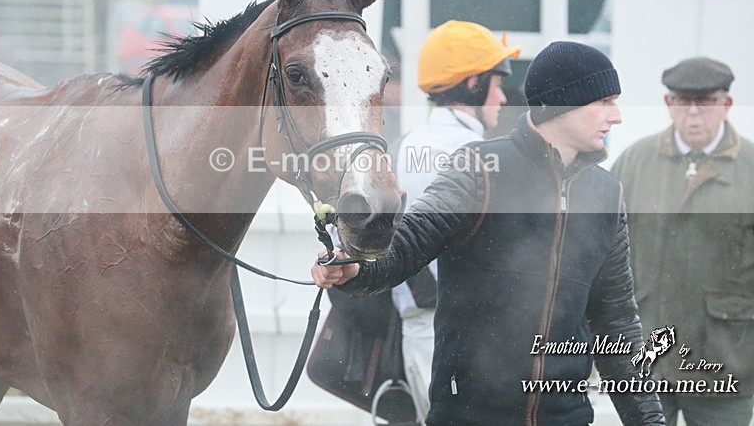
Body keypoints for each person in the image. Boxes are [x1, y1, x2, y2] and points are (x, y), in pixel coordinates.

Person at [313, 41, 665, 425]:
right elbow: (410, 242)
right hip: (470, 415)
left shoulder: (607, 193)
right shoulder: (478, 168)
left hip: (567, 416)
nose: (617, 117)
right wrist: (356, 267)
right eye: (605, 101)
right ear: (565, 103)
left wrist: (649, 421)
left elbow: (616, 323)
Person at [610, 57, 754, 426]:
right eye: (681, 102)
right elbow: (602, 253)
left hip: (726, 365)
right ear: (667, 104)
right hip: (647, 360)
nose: (693, 114)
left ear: (726, 105)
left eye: (705, 103)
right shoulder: (634, 164)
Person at [391, 20, 519, 420]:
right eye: (496, 84)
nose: (502, 97)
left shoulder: (404, 146)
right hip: (467, 334)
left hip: (422, 329)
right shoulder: (483, 154)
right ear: (471, 84)